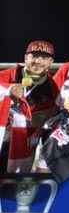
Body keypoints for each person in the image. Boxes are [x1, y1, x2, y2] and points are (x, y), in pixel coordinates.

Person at [0, 40, 60, 173]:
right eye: (34, 56)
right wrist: (8, 90)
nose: (38, 61)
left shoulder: (53, 90)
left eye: (44, 57)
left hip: (23, 148)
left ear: (50, 62)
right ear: (26, 57)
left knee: (13, 186)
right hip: (3, 137)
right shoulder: (7, 76)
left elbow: (51, 123)